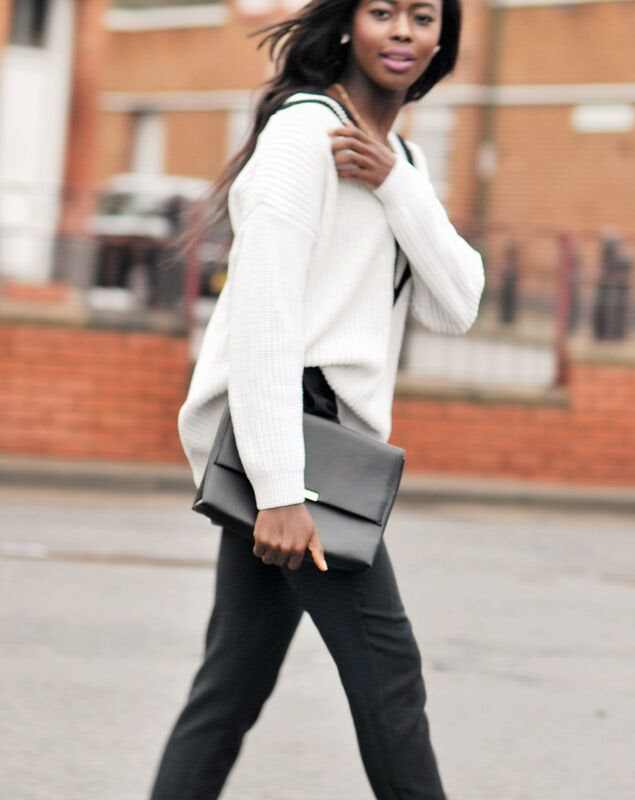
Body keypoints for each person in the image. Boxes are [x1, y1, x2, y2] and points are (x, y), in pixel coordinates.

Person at [148, 0, 484, 797]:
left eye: (423, 16)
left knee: (231, 686)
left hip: (319, 440)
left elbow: (457, 304)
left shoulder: (399, 159)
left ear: (442, 39)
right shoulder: (304, 135)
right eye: (382, 11)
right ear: (345, 26)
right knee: (390, 676)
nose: (402, 32)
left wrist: (398, 184)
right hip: (297, 436)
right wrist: (280, 489)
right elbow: (265, 316)